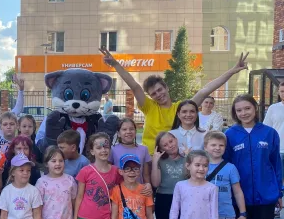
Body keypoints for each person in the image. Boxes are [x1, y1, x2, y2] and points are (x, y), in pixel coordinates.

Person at [99, 47, 249, 154]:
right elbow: (134, 85)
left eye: (160, 90)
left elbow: (205, 90)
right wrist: (115, 64)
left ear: (166, 88)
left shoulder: (181, 108)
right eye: (153, 93)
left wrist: (232, 71)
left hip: (174, 157)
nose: (158, 94)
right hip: (151, 157)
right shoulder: (149, 106)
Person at [224, 95, 281, 219]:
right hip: (240, 196)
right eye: (239, 110)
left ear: (255, 108)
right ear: (235, 113)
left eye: (247, 108)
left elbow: (276, 163)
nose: (244, 113)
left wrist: (279, 192)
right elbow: (226, 164)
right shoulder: (230, 135)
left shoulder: (269, 133)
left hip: (265, 195)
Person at [262, 80, 284, 218]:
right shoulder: (273, 108)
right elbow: (266, 129)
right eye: (282, 91)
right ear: (279, 92)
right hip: (278, 149)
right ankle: (276, 206)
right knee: (277, 179)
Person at [109, 118, 151, 184]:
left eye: (131, 129)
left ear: (135, 131)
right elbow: (109, 173)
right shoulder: (112, 149)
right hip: (119, 189)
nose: (128, 132)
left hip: (139, 189)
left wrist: (148, 185)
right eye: (124, 129)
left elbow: (146, 175)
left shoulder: (144, 149)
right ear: (118, 133)